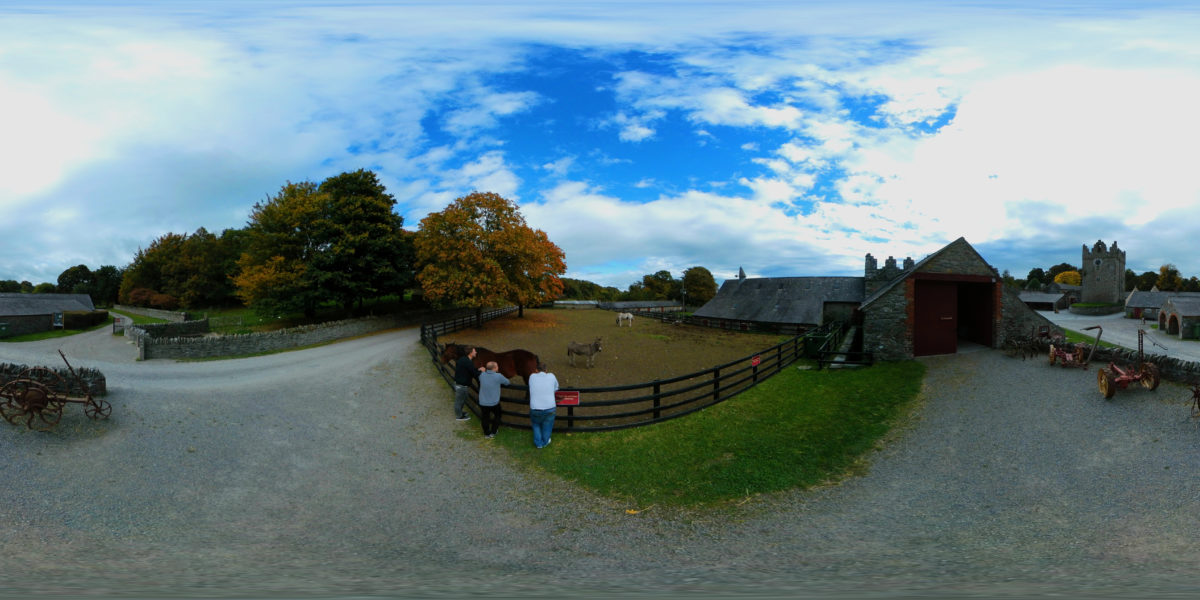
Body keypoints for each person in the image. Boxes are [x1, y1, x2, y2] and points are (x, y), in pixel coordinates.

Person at [527, 361, 559, 449]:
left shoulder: (532, 377)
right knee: (547, 425)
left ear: (536, 370)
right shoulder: (552, 376)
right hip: (550, 407)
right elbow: (556, 387)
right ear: (546, 370)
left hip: (535, 408)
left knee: (536, 424)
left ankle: (538, 443)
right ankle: (545, 441)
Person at [476, 360, 509, 438]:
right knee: (498, 415)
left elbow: (481, 378)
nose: (498, 367)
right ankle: (494, 431)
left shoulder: (482, 375)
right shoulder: (498, 376)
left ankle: (486, 433)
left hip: (483, 402)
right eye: (497, 366)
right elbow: (507, 382)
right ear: (494, 368)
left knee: (485, 417)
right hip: (494, 402)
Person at [452, 346, 481, 421]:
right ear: (470, 353)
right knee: (459, 401)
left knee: (462, 399)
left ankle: (460, 413)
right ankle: (459, 416)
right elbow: (475, 373)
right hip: (461, 385)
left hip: (460, 383)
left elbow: (470, 369)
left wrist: (478, 369)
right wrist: (482, 371)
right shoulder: (468, 362)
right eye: (474, 351)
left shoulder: (463, 359)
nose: (476, 352)